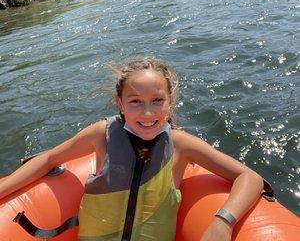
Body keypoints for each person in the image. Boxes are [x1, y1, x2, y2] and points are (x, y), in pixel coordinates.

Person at [0, 57, 264, 241]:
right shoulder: (101, 134)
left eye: (157, 100)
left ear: (170, 102)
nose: (148, 112)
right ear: (120, 103)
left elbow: (250, 178)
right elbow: (49, 158)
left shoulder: (182, 145)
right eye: (135, 101)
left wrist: (223, 222)